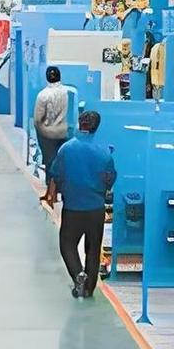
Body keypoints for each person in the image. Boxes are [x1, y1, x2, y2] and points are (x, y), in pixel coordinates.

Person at [44, 111, 116, 299]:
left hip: (73, 208)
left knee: (67, 244)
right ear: (96, 127)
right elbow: (110, 179)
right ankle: (89, 289)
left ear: (79, 124)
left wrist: (55, 193)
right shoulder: (104, 152)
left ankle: (78, 275)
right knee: (93, 249)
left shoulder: (66, 149)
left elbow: (56, 174)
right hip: (96, 208)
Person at [33, 66, 69, 186]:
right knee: (61, 162)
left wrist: (40, 129)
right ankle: (60, 187)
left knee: (50, 162)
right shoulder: (65, 92)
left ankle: (51, 189)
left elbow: (37, 119)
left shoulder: (42, 95)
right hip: (62, 131)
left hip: (47, 134)